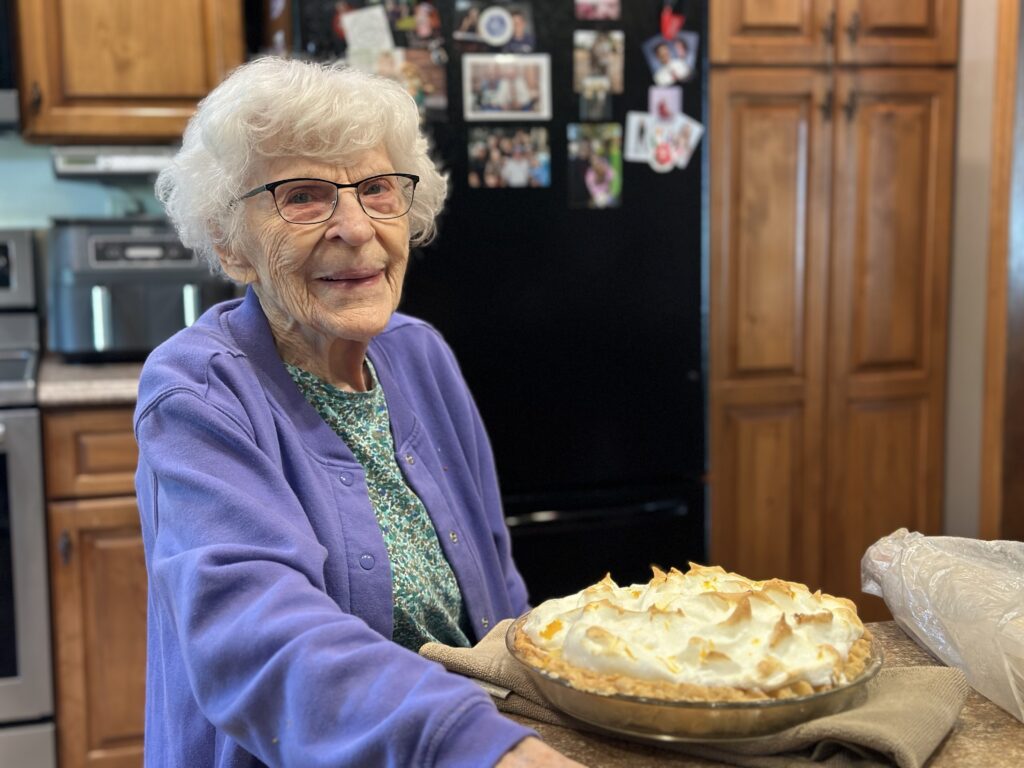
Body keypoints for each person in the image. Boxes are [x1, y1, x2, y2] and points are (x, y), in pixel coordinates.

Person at [139, 56, 584, 768]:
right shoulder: (198, 392)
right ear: (231, 242)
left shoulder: (420, 356)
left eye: (377, 189)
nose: (356, 226)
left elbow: (500, 596)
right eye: (305, 196)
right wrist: (478, 747)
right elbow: (261, 639)